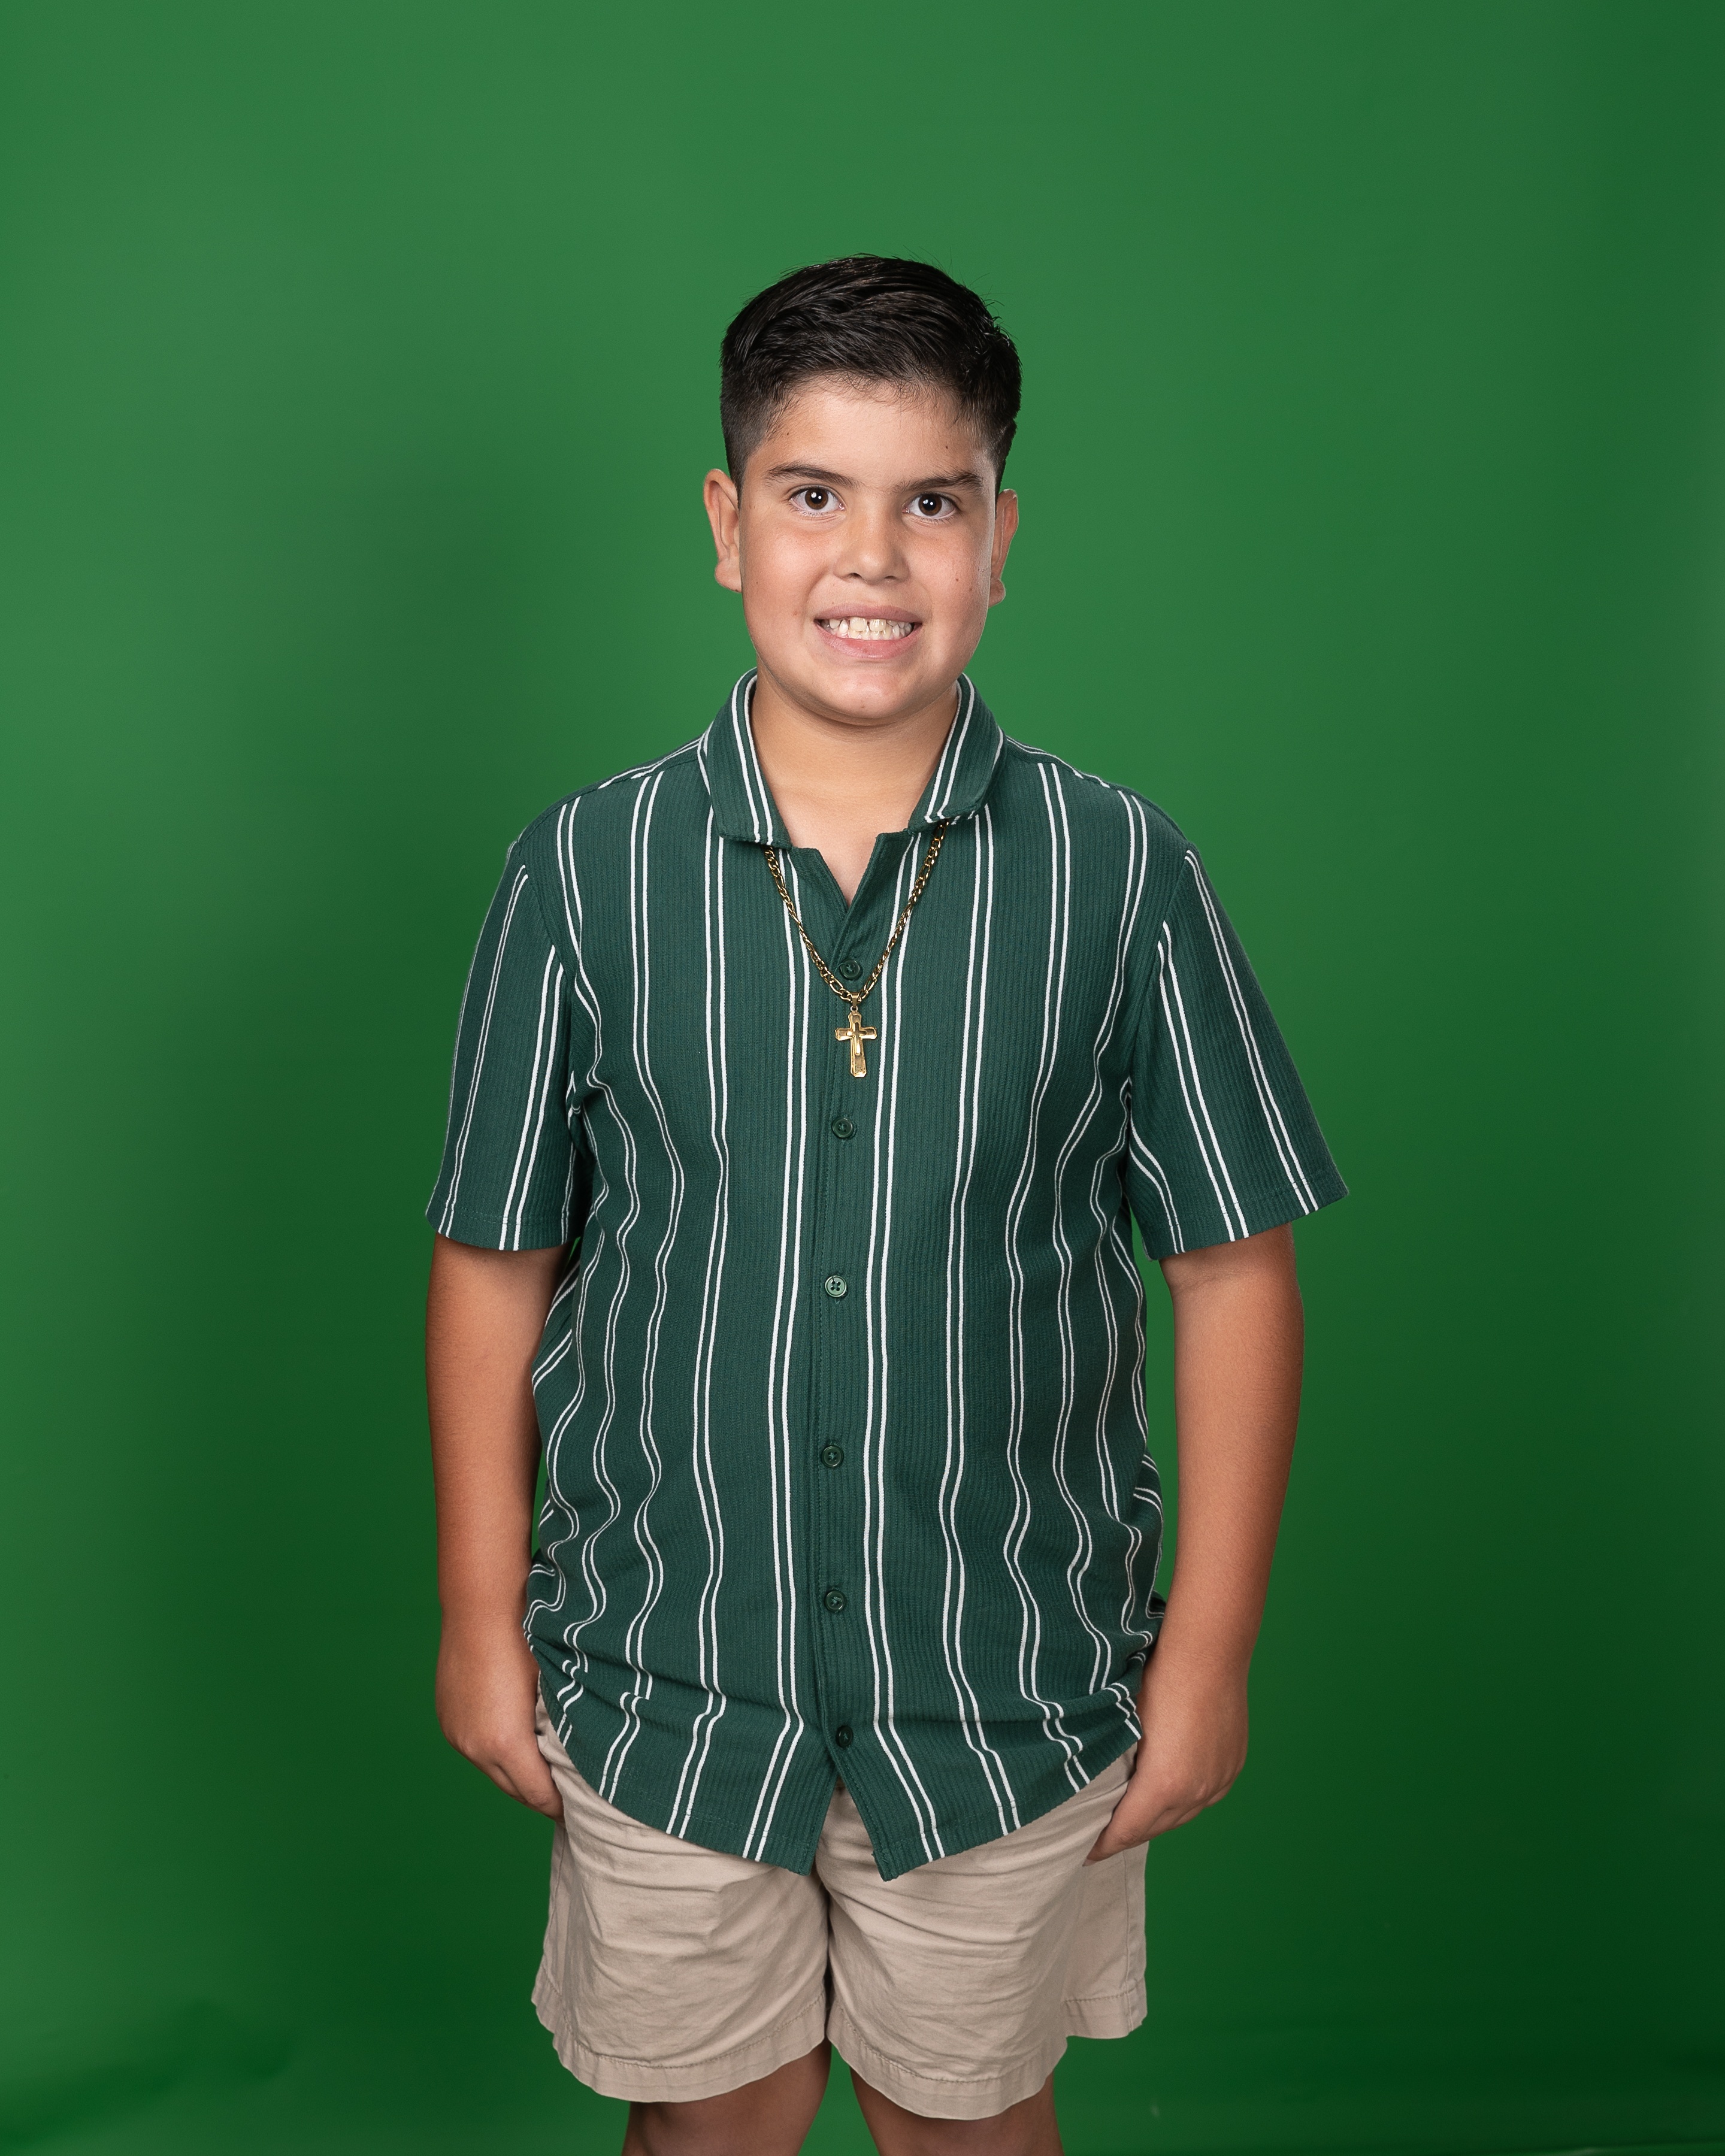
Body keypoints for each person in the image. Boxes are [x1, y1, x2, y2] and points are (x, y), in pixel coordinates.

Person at [425, 256, 1345, 2156]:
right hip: (672, 1672)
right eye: (812, 494)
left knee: (971, 2123)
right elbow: (496, 1260)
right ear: (727, 525)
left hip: (1007, 1686)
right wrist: (476, 1614)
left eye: (932, 501)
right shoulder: (583, 872)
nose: (871, 556)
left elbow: (1234, 1271)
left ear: (1001, 538)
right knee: (716, 2120)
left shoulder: (1119, 872)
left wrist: (1208, 1658)